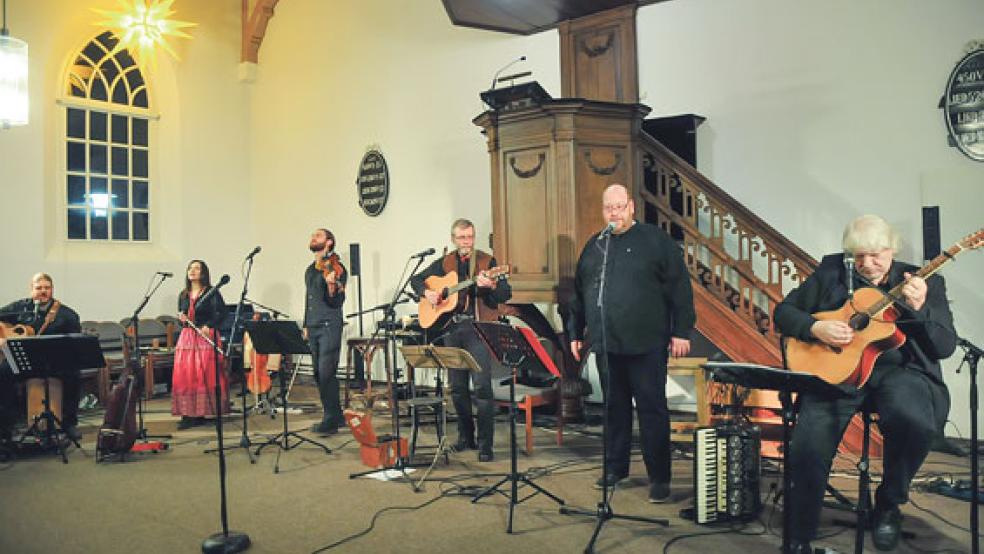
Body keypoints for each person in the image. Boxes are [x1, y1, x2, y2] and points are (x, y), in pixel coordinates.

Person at [775, 214, 957, 553]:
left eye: (876, 255)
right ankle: (799, 534)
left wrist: (919, 307)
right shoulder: (832, 271)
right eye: (858, 256)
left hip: (899, 372)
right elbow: (784, 312)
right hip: (838, 373)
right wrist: (815, 328)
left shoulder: (922, 280)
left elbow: (945, 347)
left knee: (915, 422)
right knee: (807, 445)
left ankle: (888, 505)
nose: (867, 264)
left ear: (892, 250)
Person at [565, 184, 695, 503]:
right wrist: (574, 332)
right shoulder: (596, 246)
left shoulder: (655, 241)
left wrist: (681, 331)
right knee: (614, 409)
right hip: (608, 344)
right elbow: (580, 294)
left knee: (651, 411)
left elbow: (680, 287)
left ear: (632, 207)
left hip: (647, 344)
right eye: (609, 208)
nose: (614, 213)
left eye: (620, 207)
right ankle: (615, 468)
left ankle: (659, 478)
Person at [410, 218, 512, 462]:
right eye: (462, 238)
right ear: (454, 239)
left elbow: (505, 294)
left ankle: (486, 445)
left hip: (478, 330)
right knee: (457, 389)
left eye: (470, 237)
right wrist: (428, 293)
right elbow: (417, 280)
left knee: (482, 389)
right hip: (452, 330)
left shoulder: (488, 262)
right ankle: (466, 437)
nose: (467, 242)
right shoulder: (445, 262)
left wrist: (492, 285)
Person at [0, 273, 83, 441]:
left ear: (52, 290)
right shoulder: (21, 307)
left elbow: (74, 344)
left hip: (54, 361)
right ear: (31, 290)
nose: (43, 291)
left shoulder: (67, 315)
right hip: (25, 360)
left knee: (73, 373)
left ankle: (69, 423)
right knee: (3, 373)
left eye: (47, 288)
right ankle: (6, 426)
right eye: (39, 288)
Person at [172, 260, 229, 429]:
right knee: (186, 374)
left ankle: (207, 411)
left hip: (206, 337)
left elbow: (223, 313)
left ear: (204, 273)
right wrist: (181, 319)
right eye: (190, 268)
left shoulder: (211, 293)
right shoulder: (183, 294)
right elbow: (182, 315)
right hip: (187, 337)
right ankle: (189, 414)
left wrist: (209, 325)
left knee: (205, 373)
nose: (192, 271)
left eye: (197, 268)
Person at [304, 228, 348, 435]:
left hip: (329, 325)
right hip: (313, 325)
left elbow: (337, 301)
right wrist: (306, 324)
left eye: (318, 236)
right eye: (313, 236)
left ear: (329, 242)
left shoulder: (338, 269)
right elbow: (309, 300)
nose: (313, 238)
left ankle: (330, 420)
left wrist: (332, 287)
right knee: (316, 373)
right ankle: (337, 416)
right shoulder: (310, 270)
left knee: (326, 373)